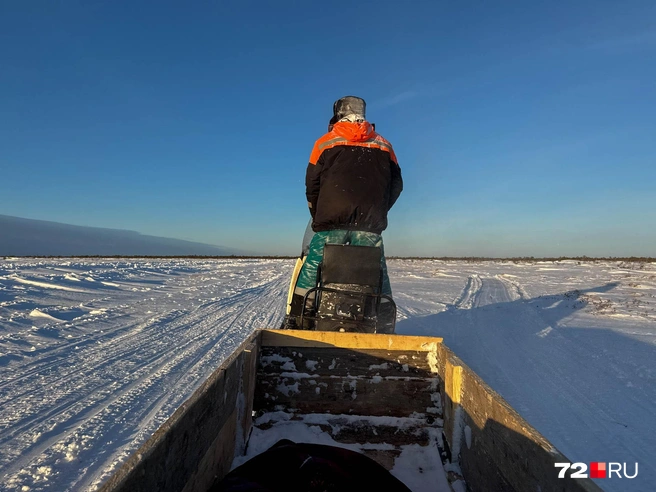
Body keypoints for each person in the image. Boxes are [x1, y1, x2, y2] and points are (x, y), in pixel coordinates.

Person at [286, 95, 403, 328]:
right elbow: (396, 185)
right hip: (369, 224)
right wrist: (378, 211)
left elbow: (312, 184)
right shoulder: (384, 145)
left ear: (338, 115)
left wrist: (317, 213)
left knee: (313, 265)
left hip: (331, 222)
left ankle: (298, 318)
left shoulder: (324, 142)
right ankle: (385, 323)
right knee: (378, 270)